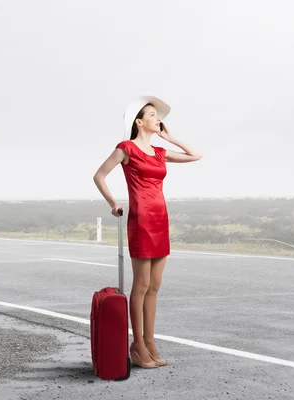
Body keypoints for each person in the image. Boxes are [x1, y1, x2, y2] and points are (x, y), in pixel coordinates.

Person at [93, 96, 202, 368]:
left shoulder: (160, 153)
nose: (158, 118)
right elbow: (99, 175)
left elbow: (196, 155)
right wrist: (114, 203)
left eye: (158, 115)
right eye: (152, 114)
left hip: (160, 218)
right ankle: (138, 345)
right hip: (141, 218)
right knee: (141, 286)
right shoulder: (126, 148)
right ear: (139, 122)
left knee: (154, 286)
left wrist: (171, 137)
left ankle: (150, 342)